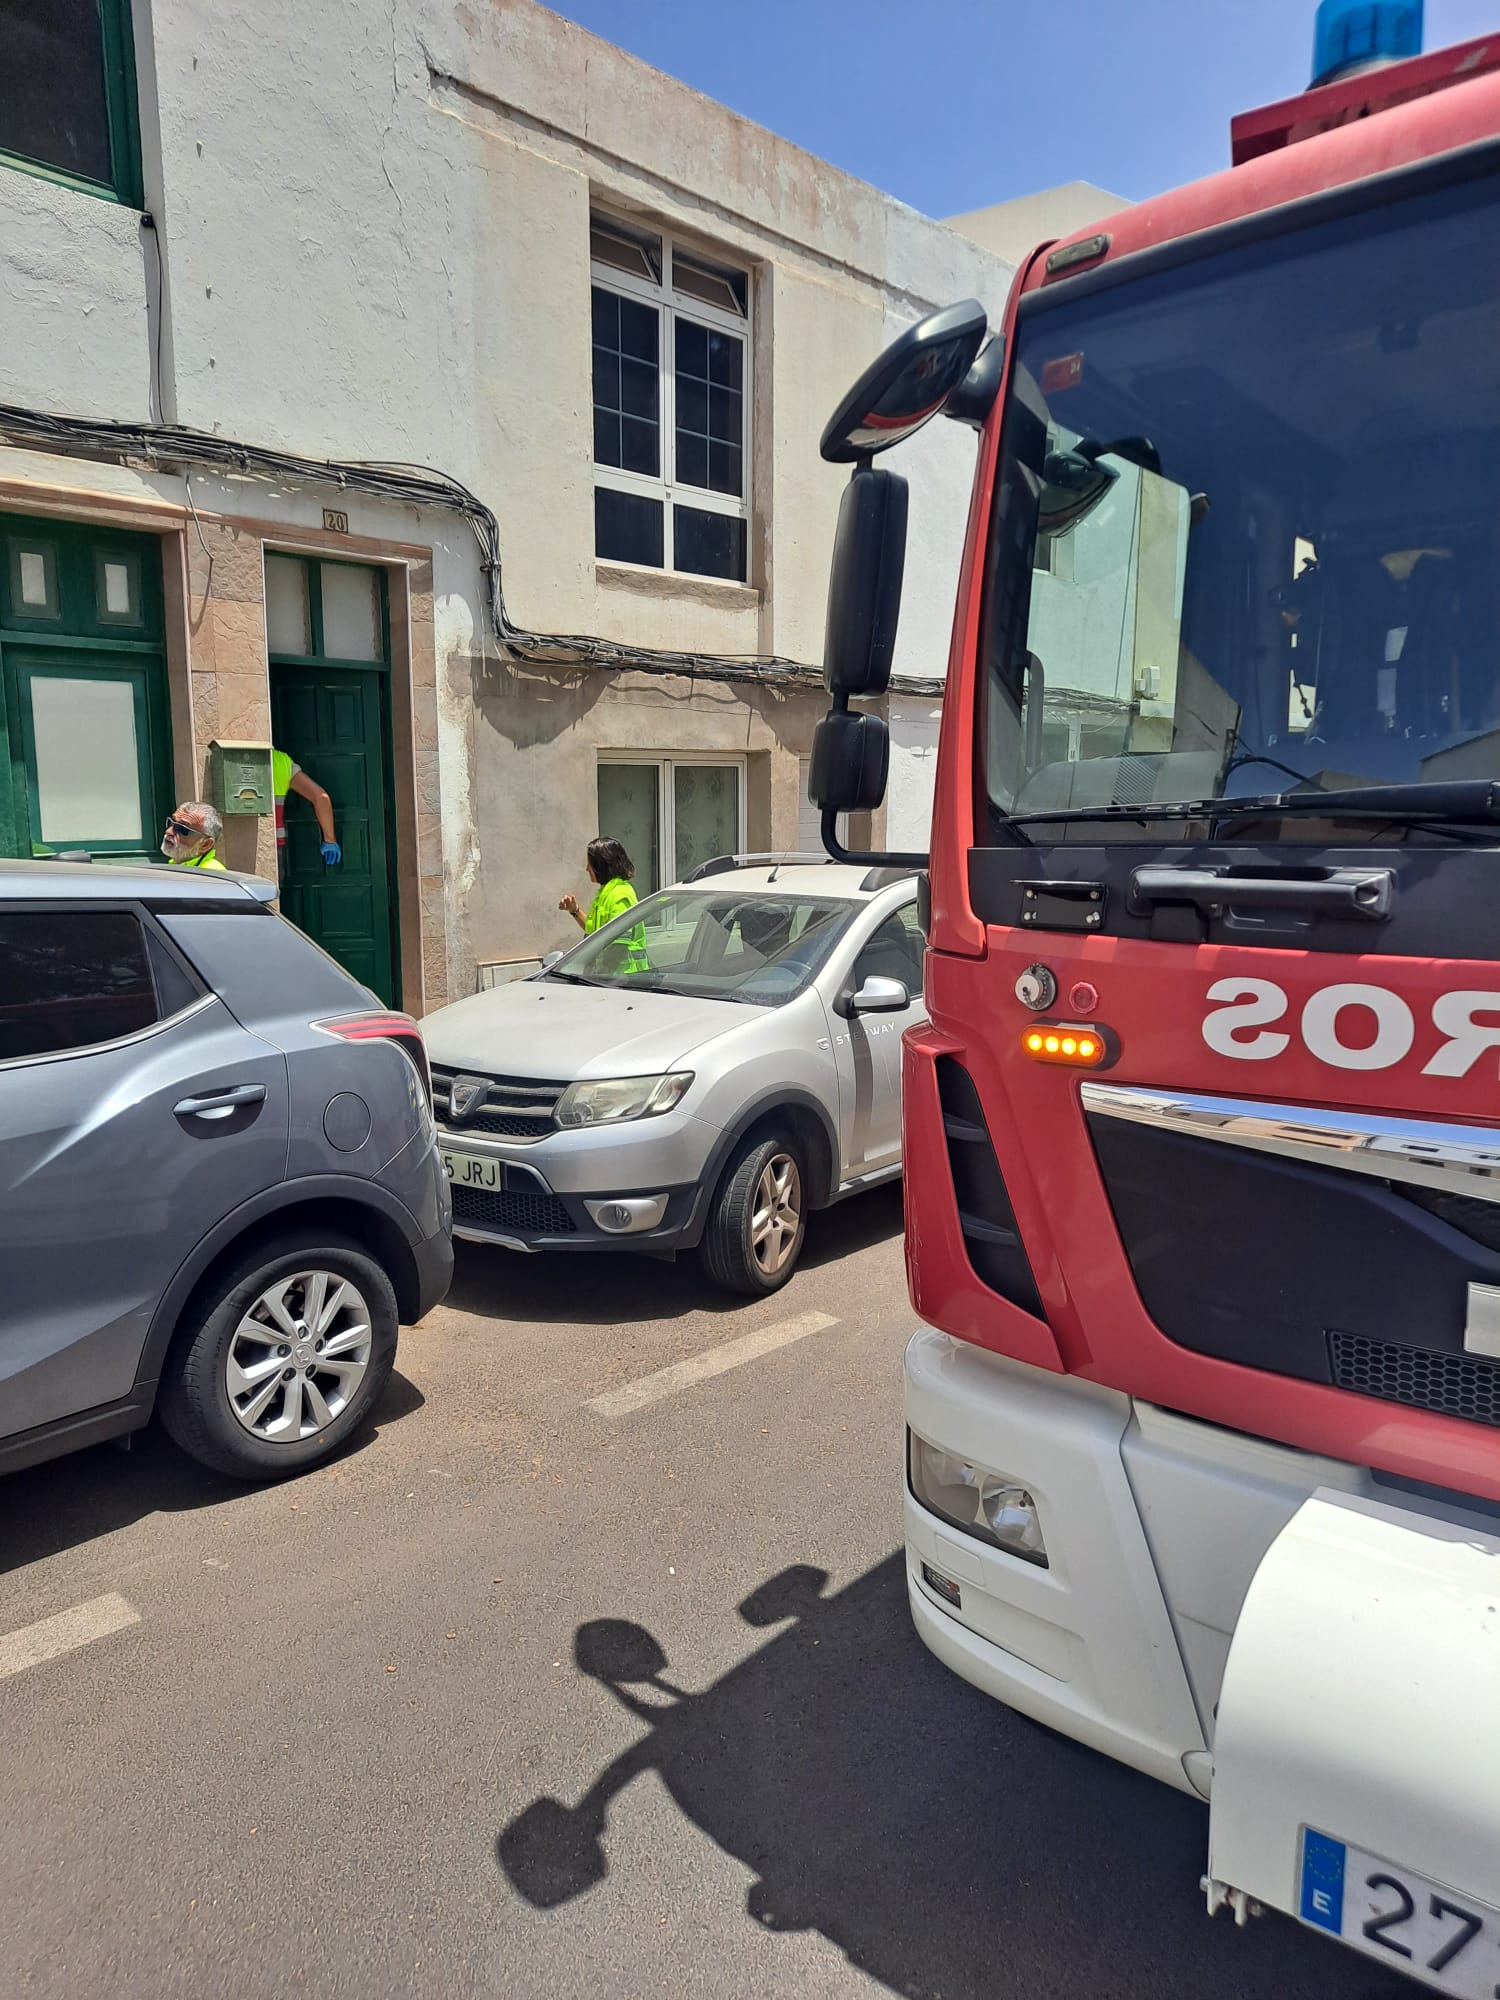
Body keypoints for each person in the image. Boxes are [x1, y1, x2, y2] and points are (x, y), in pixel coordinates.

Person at [560, 837, 649, 974]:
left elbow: (619, 947)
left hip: (626, 979)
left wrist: (599, 976)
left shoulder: (619, 895)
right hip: (613, 980)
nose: (586, 869)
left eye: (590, 864)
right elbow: (593, 932)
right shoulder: (606, 893)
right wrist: (575, 910)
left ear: (601, 865)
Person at [272, 748, 341, 870]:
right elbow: (321, 797)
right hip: (274, 846)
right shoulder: (279, 761)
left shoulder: (228, 757)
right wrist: (330, 841)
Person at [161, 801, 226, 871]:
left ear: (205, 844)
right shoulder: (176, 864)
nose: (168, 831)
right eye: (171, 822)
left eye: (182, 829)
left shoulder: (212, 874)